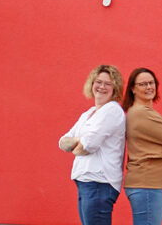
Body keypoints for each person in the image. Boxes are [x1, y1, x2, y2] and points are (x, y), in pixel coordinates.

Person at [59, 64, 126, 225]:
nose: (102, 87)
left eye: (108, 84)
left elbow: (88, 145)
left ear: (115, 88)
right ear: (91, 84)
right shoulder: (88, 114)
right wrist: (79, 142)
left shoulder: (112, 110)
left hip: (100, 183)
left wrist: (77, 142)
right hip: (85, 182)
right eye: (98, 82)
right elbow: (62, 141)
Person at [122, 67, 162, 225]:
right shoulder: (140, 113)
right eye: (143, 84)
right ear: (133, 89)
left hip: (152, 184)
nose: (149, 87)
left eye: (151, 83)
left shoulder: (148, 113)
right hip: (147, 184)